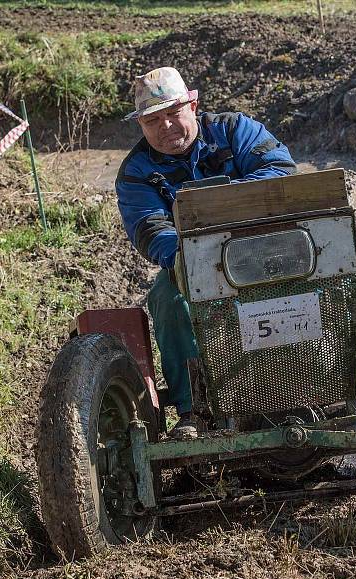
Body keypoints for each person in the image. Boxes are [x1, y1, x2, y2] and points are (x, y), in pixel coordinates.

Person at [116, 66, 296, 439]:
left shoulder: (235, 130)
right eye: (153, 120)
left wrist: (224, 205)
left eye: (172, 114)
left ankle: (325, 375)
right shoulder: (136, 172)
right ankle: (193, 409)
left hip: (268, 245)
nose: (165, 127)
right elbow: (148, 226)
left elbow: (279, 169)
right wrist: (184, 260)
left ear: (193, 105)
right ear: (140, 125)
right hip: (193, 261)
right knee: (166, 297)